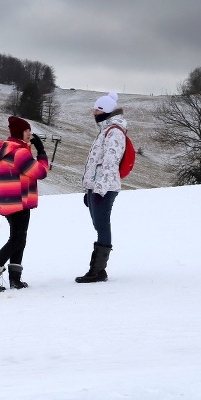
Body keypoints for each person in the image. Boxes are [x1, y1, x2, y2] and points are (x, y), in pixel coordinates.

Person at [0, 116, 49, 291]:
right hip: (18, 201)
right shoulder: (19, 152)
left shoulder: (9, 149)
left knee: (19, 239)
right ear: (19, 132)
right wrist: (41, 152)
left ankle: (15, 279)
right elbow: (40, 172)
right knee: (17, 240)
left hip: (10, 201)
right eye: (27, 131)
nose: (30, 134)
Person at [76, 92, 127, 283]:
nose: (94, 112)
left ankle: (97, 270)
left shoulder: (114, 132)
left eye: (98, 109)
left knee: (102, 225)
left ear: (106, 111)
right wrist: (89, 189)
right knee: (99, 225)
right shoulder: (105, 130)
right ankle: (98, 270)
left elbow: (109, 164)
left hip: (104, 188)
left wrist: (100, 189)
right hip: (95, 187)